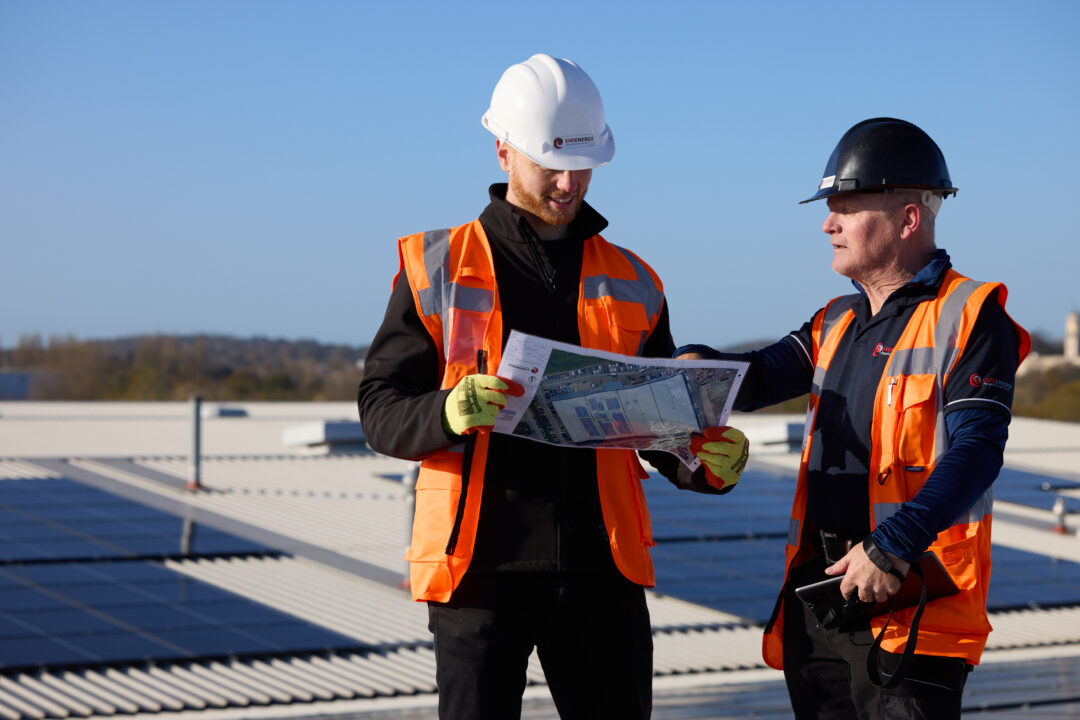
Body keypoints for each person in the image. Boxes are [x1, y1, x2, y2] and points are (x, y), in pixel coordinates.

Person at [356, 53, 748, 720]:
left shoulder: (635, 279)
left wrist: (702, 462)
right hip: (478, 571)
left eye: (584, 164)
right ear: (503, 149)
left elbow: (653, 420)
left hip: (602, 570)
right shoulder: (435, 267)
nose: (570, 183)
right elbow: (380, 411)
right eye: (551, 165)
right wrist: (447, 412)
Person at [676, 118, 1031, 719]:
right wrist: (684, 369)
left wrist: (892, 546)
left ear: (908, 220)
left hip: (909, 613)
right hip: (822, 606)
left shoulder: (971, 317)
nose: (827, 224)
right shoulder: (833, 321)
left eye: (845, 208)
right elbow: (754, 376)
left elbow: (977, 451)